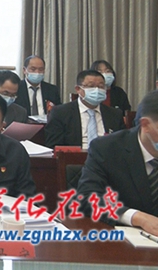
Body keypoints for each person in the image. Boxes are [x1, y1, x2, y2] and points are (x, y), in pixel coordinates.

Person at [77, 90, 158, 234]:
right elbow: (88, 198)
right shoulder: (107, 149)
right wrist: (136, 217)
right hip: (122, 238)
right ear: (145, 125)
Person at [45, 69, 125, 149]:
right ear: (78, 89)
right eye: (91, 86)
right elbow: (54, 146)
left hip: (106, 155)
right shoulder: (60, 113)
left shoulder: (115, 114)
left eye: (101, 87)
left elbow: (122, 144)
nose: (97, 90)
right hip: (74, 156)